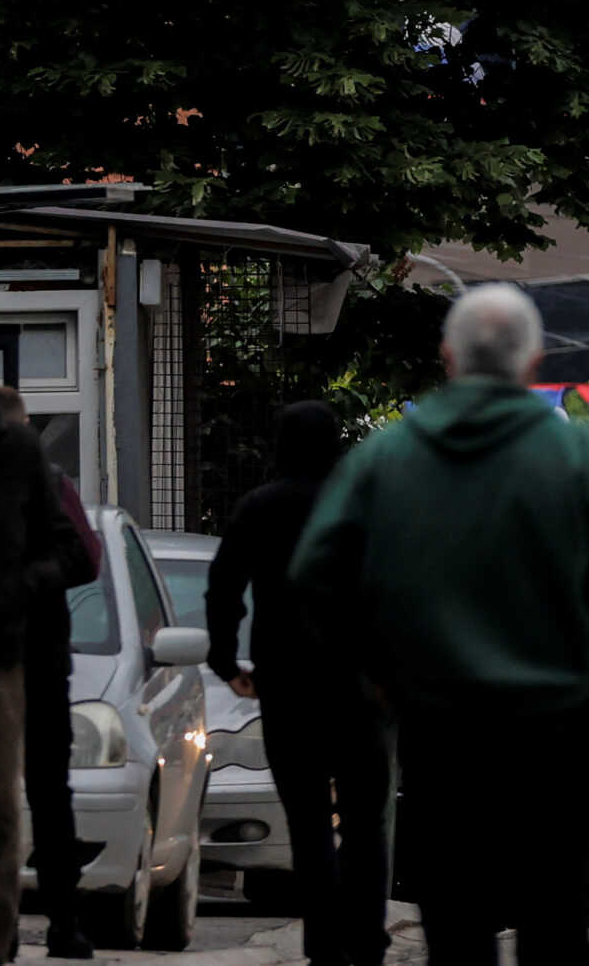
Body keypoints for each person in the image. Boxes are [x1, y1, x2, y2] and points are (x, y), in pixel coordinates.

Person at [293, 285, 589, 966]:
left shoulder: (386, 460)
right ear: (534, 360)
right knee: (554, 914)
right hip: (555, 725)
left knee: (454, 921)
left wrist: (379, 673)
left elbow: (317, 574)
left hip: (437, 722)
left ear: (447, 357)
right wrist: (588, 673)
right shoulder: (580, 460)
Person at [207, 402, 392, 966]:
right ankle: (365, 935)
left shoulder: (258, 508)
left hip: (287, 685)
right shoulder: (363, 507)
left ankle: (322, 942)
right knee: (365, 820)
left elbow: (223, 589)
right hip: (361, 686)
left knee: (307, 821)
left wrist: (225, 662)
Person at [0, 387, 100, 962]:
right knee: (48, 793)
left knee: (30, 793)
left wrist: (23, 582)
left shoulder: (44, 478)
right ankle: (59, 923)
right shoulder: (52, 480)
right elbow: (86, 556)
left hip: (29, 655)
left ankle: (30, 925)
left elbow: (82, 555)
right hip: (41, 656)